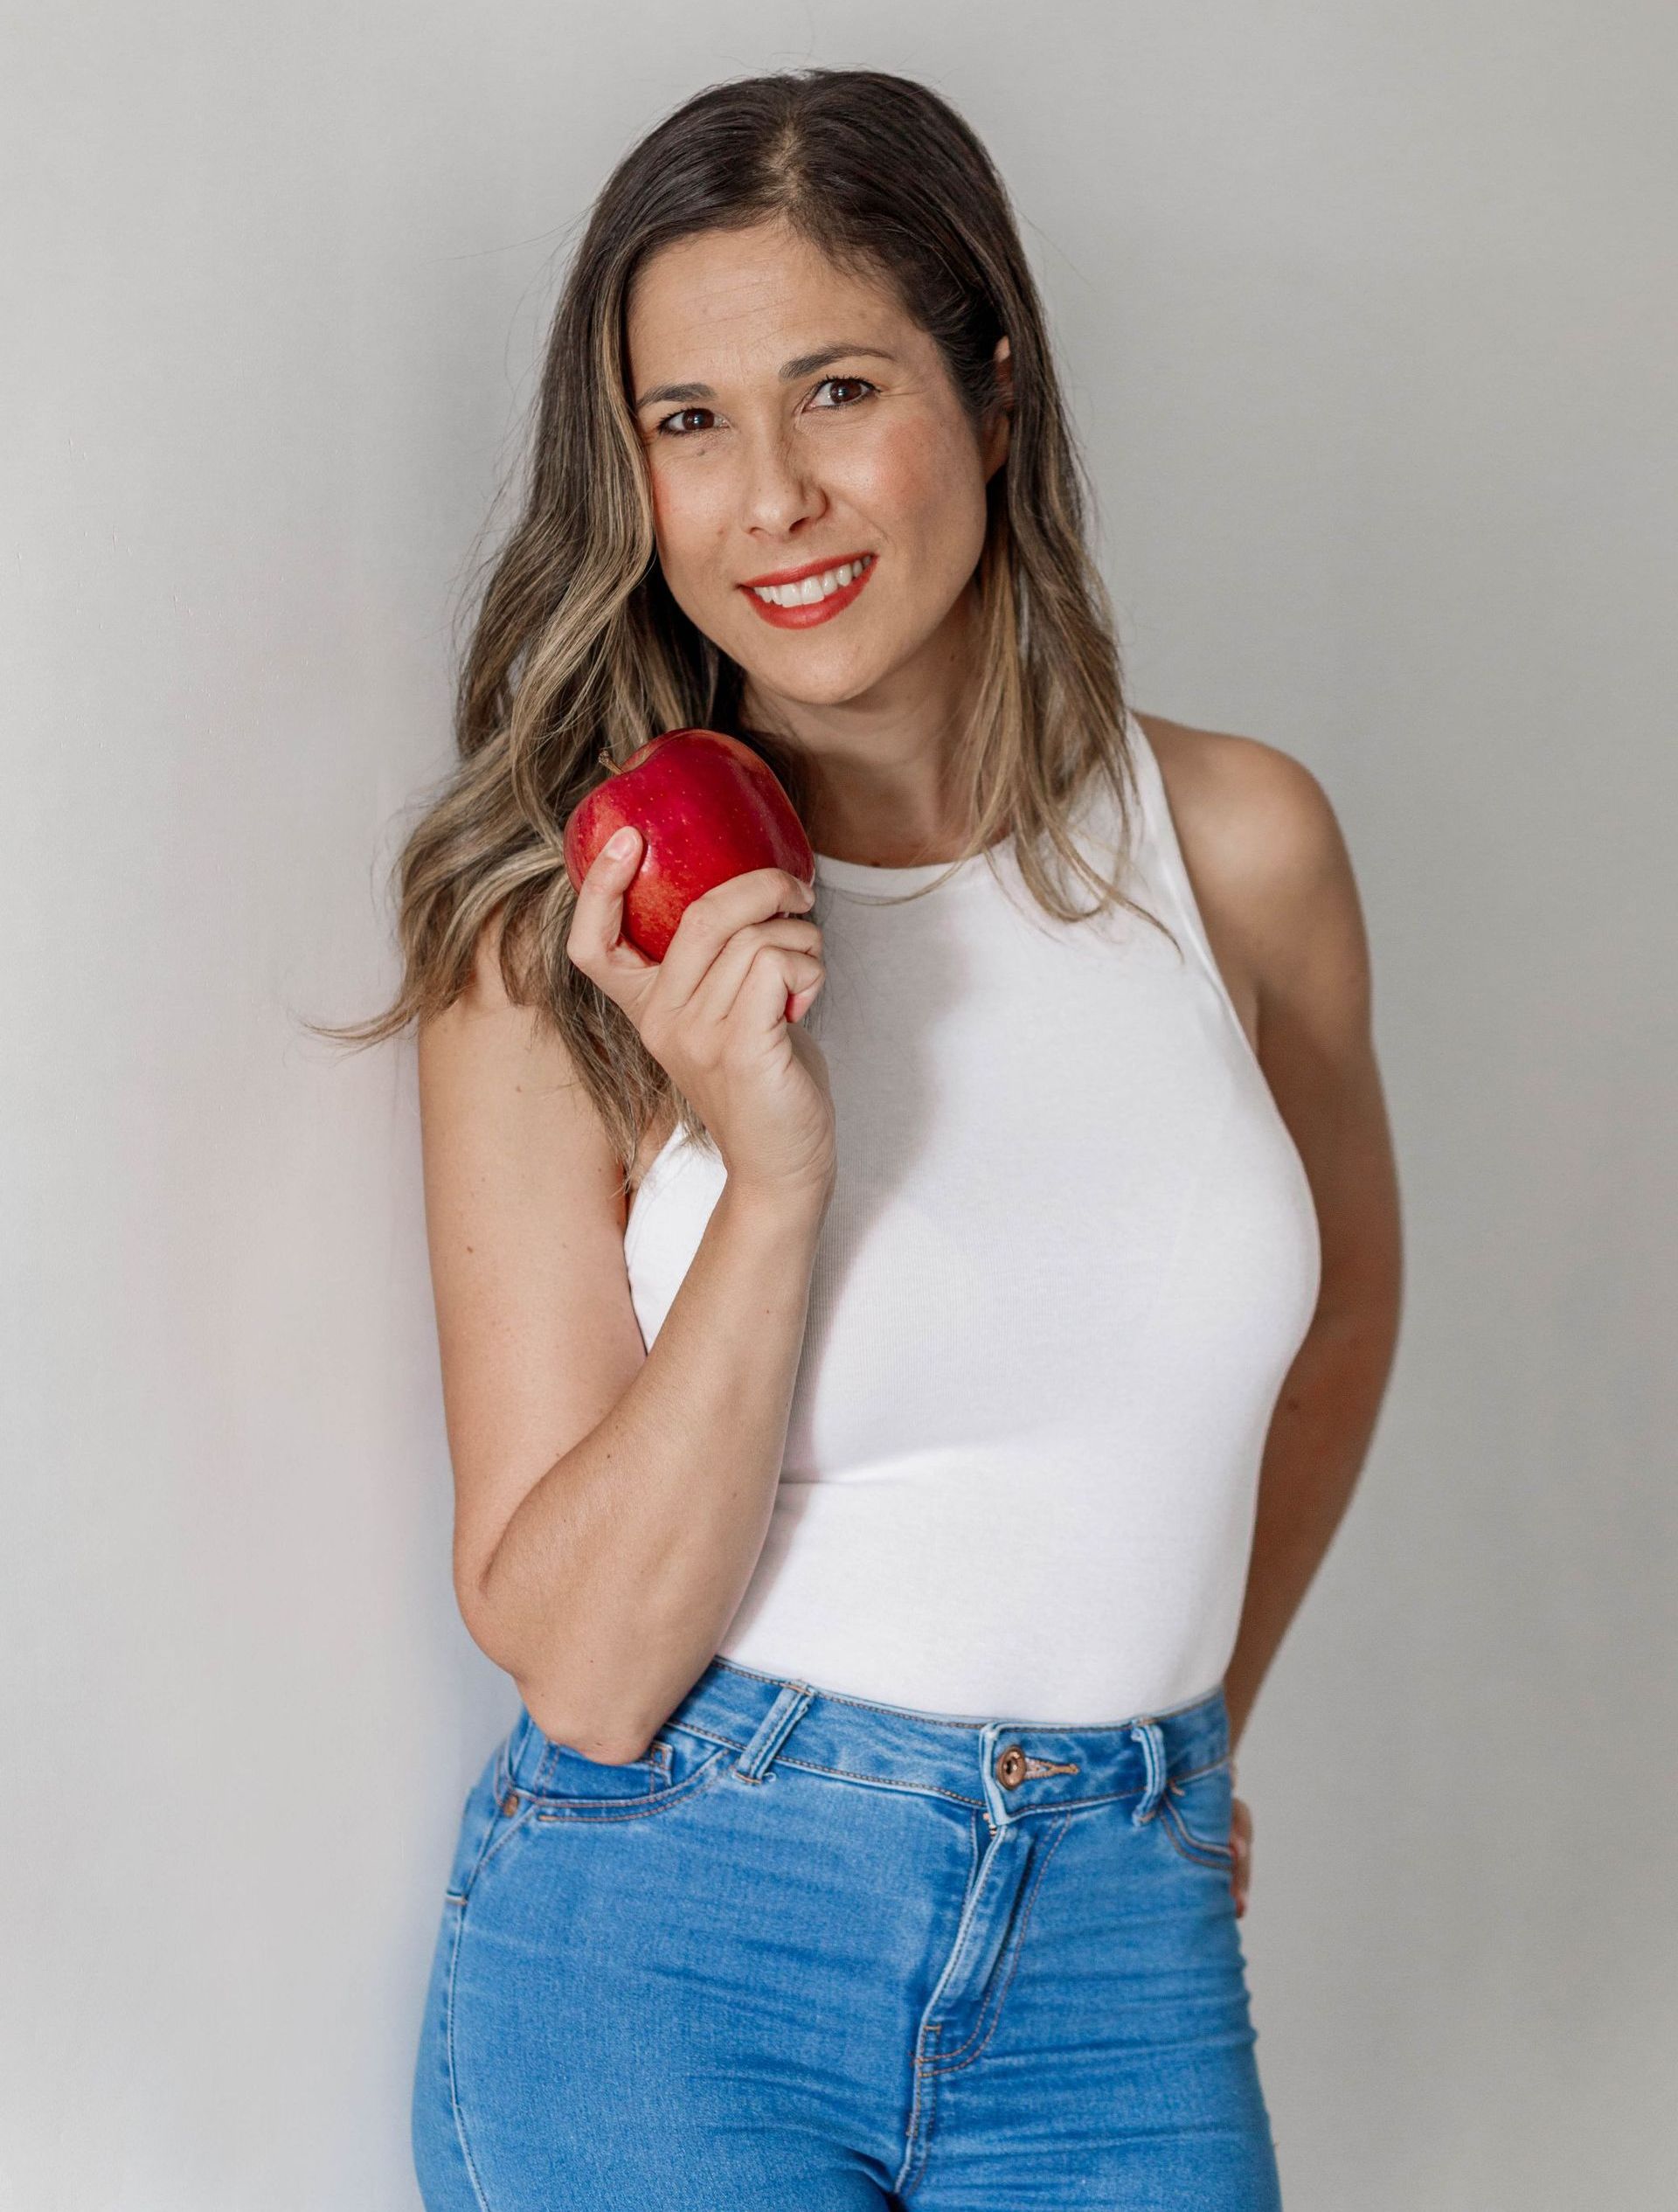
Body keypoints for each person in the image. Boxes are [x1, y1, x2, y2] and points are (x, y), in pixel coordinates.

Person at [323, 65, 1402, 2212]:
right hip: (677, 1937)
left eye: (837, 389)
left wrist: (1188, 1748)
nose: (771, 500)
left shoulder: (1241, 846)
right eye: (688, 421)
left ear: (994, 394)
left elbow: (1337, 1320)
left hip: (1124, 1932)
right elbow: (590, 1658)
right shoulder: (569, 937)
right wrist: (773, 1166)